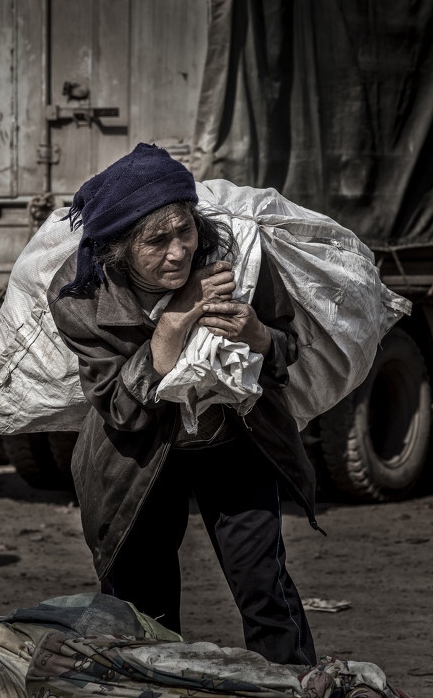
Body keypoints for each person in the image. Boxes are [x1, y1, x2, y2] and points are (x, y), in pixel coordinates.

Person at [47, 143, 321, 666]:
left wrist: (258, 333)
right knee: (142, 608)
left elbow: (287, 351)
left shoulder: (239, 258)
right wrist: (172, 322)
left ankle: (294, 683)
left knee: (264, 587)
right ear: (120, 248)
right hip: (135, 456)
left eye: (185, 231)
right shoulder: (79, 296)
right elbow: (120, 409)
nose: (178, 252)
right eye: (157, 240)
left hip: (233, 439)